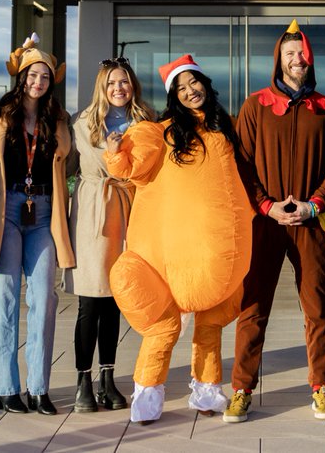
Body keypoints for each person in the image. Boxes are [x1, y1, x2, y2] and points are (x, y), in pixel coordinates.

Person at [103, 54, 254, 425]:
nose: (190, 91)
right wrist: (114, 153)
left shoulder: (226, 127)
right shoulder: (164, 132)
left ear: (206, 83)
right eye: (181, 88)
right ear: (174, 96)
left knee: (210, 322)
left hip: (211, 248)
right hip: (169, 250)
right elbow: (131, 167)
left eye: (194, 83)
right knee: (164, 325)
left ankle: (206, 391)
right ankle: (148, 394)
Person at [228, 20, 325, 423]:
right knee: (253, 307)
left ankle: (321, 387)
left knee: (317, 307)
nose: (297, 60)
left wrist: (314, 204)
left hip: (310, 223)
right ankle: (241, 389)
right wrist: (266, 206)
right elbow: (240, 163)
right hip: (265, 223)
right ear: (278, 59)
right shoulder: (255, 105)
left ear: (310, 58)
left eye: (301, 53)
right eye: (289, 54)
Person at [0, 34, 74, 415]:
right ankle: (5, 387)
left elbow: (73, 164)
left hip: (44, 214)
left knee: (45, 301)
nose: (38, 82)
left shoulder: (59, 120)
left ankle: (38, 387)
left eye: (45, 77)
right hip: (7, 211)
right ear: (22, 77)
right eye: (33, 75)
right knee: (5, 298)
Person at [63, 57, 153, 413]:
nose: (119, 88)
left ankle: (107, 378)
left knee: (117, 298)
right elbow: (65, 168)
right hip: (92, 212)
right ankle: (82, 381)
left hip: (130, 211)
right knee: (90, 301)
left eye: (125, 82)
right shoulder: (83, 124)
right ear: (102, 86)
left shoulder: (145, 121)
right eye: (113, 82)